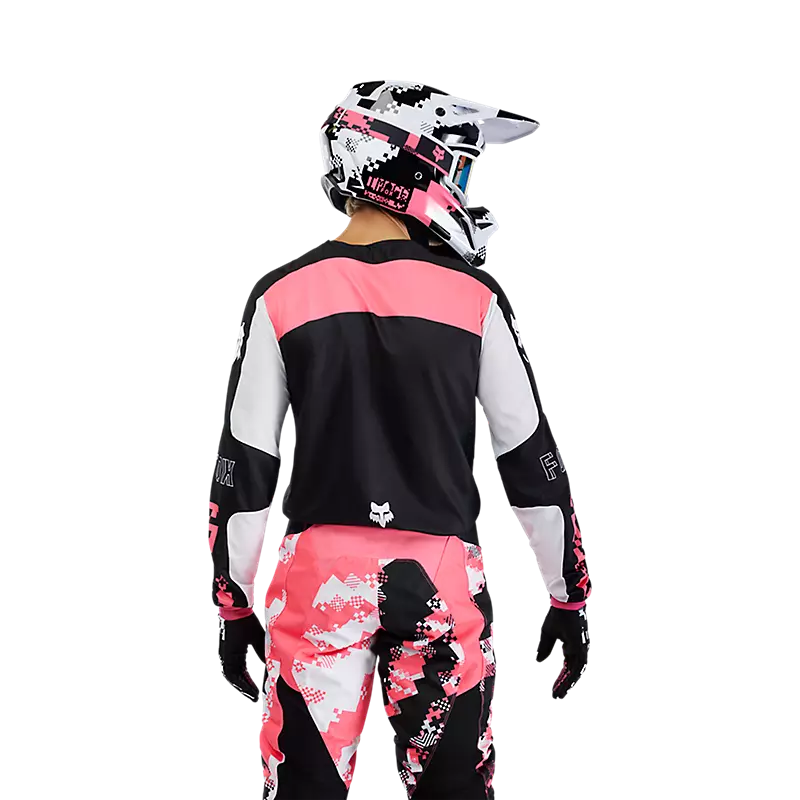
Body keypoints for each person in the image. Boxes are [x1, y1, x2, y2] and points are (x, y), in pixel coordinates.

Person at [208, 80, 591, 800]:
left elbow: (245, 468)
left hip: (319, 580)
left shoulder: (280, 294)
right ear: (410, 161)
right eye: (459, 165)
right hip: (441, 577)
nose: (463, 185)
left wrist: (232, 602)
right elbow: (531, 461)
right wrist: (568, 594)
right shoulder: (476, 297)